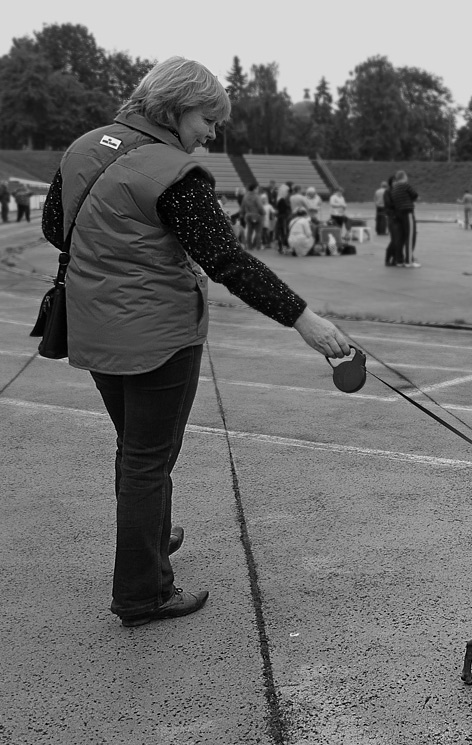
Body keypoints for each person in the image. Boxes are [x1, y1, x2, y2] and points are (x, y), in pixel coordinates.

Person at [41, 56, 349, 628]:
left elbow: (54, 227)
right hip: (158, 335)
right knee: (148, 462)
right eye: (208, 119)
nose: (211, 135)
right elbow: (228, 260)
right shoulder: (172, 172)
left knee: (134, 450)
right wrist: (304, 319)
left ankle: (151, 538)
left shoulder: (84, 146)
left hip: (93, 326)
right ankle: (144, 593)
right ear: (176, 107)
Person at [391, 170, 419, 267]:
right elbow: (415, 195)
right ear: (404, 176)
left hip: (398, 213)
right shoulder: (405, 185)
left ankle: (399, 260)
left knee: (401, 237)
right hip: (407, 212)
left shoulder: (394, 188)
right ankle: (409, 261)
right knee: (410, 236)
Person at [239, 182, 263, 250]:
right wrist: (263, 213)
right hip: (257, 215)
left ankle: (250, 246)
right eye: (257, 188)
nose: (257, 190)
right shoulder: (256, 196)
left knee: (249, 231)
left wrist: (241, 214)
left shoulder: (245, 196)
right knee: (258, 232)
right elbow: (260, 206)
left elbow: (242, 207)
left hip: (248, 215)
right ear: (254, 189)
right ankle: (258, 246)